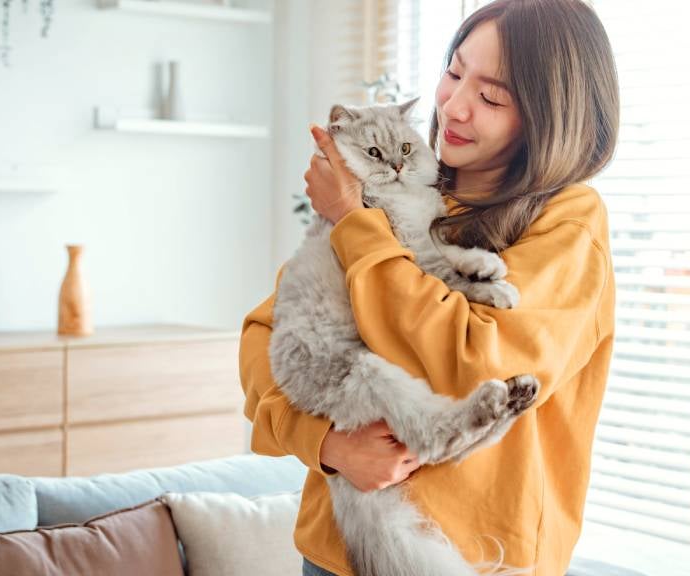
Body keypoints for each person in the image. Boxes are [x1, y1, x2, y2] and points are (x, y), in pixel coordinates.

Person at [238, 0, 619, 574]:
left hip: (480, 557)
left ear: (549, 115)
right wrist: (326, 444)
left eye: (492, 97)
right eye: (454, 71)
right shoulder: (401, 189)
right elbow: (264, 340)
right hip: (335, 553)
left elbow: (474, 362)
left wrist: (354, 220)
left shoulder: (569, 221)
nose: (455, 106)